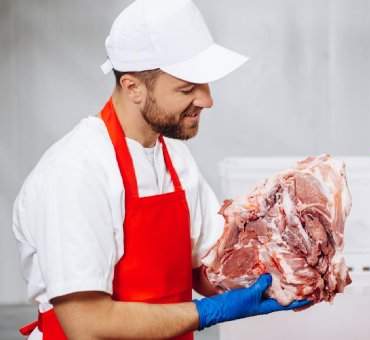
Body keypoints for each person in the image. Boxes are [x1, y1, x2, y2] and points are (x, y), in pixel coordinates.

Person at [12, 1, 307, 339]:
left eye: (206, 84)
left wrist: (281, 277)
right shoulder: (76, 171)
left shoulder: (176, 159)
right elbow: (87, 325)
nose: (207, 100)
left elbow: (208, 267)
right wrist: (212, 311)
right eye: (186, 88)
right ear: (133, 87)